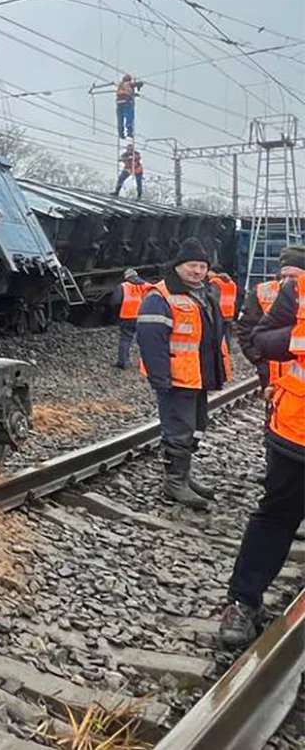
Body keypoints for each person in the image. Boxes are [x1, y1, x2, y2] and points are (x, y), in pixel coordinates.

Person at [220, 267, 305, 645]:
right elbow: (263, 340)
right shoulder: (299, 289)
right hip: (296, 431)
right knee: (275, 517)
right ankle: (242, 602)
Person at [136, 237, 231, 510]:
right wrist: (160, 378)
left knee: (196, 428)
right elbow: (151, 341)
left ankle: (184, 477)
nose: (197, 271)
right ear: (178, 266)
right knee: (178, 430)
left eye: (202, 266)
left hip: (199, 376)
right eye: (192, 265)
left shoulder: (206, 293)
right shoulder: (160, 296)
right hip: (177, 378)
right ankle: (174, 482)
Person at [237, 246, 305, 389]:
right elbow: (246, 328)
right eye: (284, 276)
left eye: (293, 277)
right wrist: (259, 360)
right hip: (271, 373)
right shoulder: (263, 291)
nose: (286, 281)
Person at [110, 268, 149, 369]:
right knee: (145, 340)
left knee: (125, 339)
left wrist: (116, 313)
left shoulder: (123, 286)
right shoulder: (146, 285)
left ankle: (123, 362)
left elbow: (115, 302)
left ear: (126, 277)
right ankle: (144, 363)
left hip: (127, 316)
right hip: (144, 316)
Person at [116, 74, 144, 139]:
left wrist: (134, 94)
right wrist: (140, 84)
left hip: (119, 102)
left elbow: (127, 92)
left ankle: (121, 133)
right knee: (129, 117)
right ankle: (129, 132)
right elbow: (137, 84)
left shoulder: (120, 86)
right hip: (127, 101)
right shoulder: (128, 84)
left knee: (120, 119)